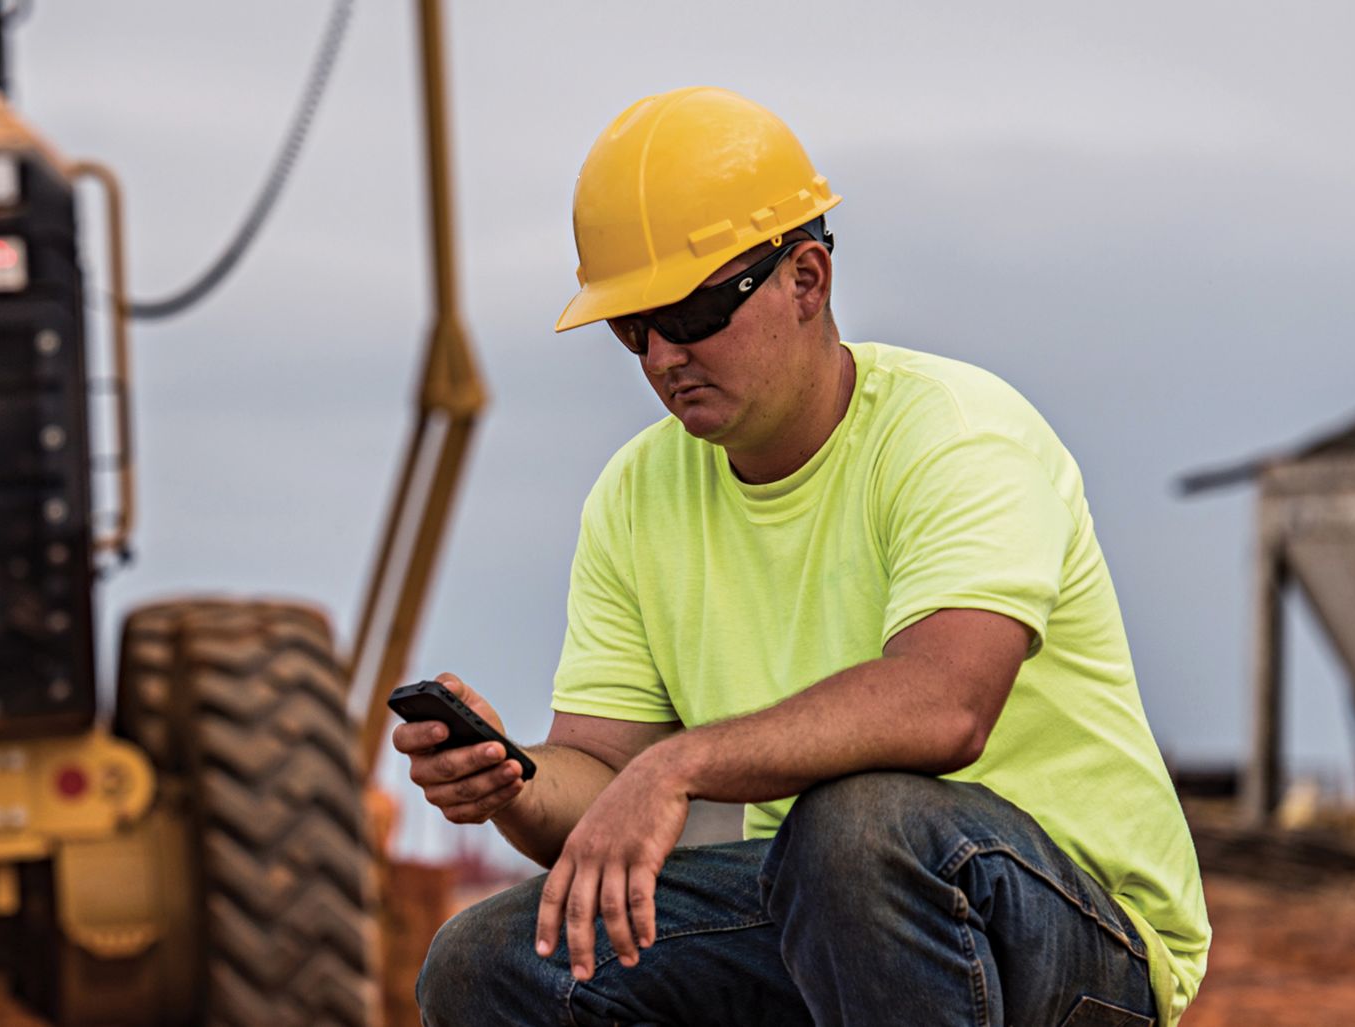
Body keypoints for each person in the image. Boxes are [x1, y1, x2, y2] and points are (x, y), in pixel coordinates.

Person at [399, 86, 1210, 1027]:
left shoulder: (957, 435)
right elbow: (605, 781)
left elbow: (947, 702)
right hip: (827, 913)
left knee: (859, 829)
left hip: (1074, 933)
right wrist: (512, 782)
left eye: (690, 313)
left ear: (807, 279)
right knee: (489, 962)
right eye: (632, 328)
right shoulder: (636, 496)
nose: (661, 357)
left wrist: (680, 765)